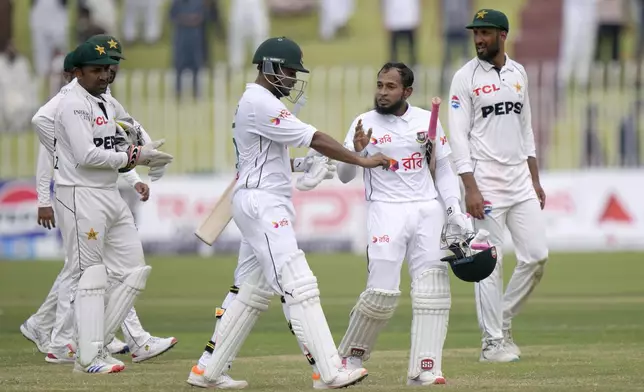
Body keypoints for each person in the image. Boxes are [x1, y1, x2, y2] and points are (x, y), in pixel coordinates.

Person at [190, 36, 391, 389]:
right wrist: (359, 159)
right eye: (288, 71)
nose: (294, 79)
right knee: (298, 284)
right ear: (268, 67)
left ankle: (208, 369)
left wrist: (304, 165)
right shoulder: (260, 102)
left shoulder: (255, 100)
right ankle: (328, 371)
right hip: (262, 204)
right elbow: (314, 137)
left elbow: (273, 157)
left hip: (260, 198)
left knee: (249, 291)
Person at [23, 37, 177, 364]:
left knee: (121, 271)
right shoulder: (67, 105)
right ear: (75, 73)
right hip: (79, 196)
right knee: (89, 272)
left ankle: (54, 331)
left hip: (105, 192)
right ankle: (94, 345)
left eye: (110, 68)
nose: (106, 75)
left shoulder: (104, 98)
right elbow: (66, 142)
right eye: (98, 70)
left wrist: (145, 158)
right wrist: (133, 157)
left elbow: (127, 130)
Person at [333, 62, 469, 386]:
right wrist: (356, 150)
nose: (382, 92)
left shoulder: (426, 120)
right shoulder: (363, 123)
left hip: (427, 209)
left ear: (407, 91)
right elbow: (343, 176)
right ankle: (349, 359)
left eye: (390, 86)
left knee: (433, 291)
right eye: (379, 85)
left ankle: (425, 367)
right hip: (385, 210)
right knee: (381, 291)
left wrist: (454, 210)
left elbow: (444, 170)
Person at [447, 9, 549, 363]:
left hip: (520, 180)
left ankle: (502, 319)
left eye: (485, 33)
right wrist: (470, 188)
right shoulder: (464, 77)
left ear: (502, 35)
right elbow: (457, 136)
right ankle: (492, 342)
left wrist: (535, 179)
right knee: (489, 263)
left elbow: (526, 131)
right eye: (476, 33)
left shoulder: (518, 72)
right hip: (485, 181)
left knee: (537, 257)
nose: (478, 39)